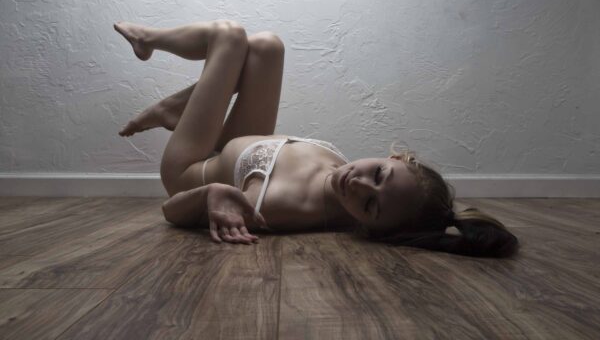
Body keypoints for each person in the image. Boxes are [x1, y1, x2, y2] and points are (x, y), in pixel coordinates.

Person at [114, 19, 519, 257]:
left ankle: (148, 42)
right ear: (399, 158)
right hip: (238, 145)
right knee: (268, 47)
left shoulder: (285, 208)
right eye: (377, 174)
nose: (357, 183)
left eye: (370, 205)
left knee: (228, 34)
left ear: (373, 229)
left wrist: (210, 195)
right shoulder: (353, 175)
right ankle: (174, 110)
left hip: (191, 166)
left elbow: (170, 211)